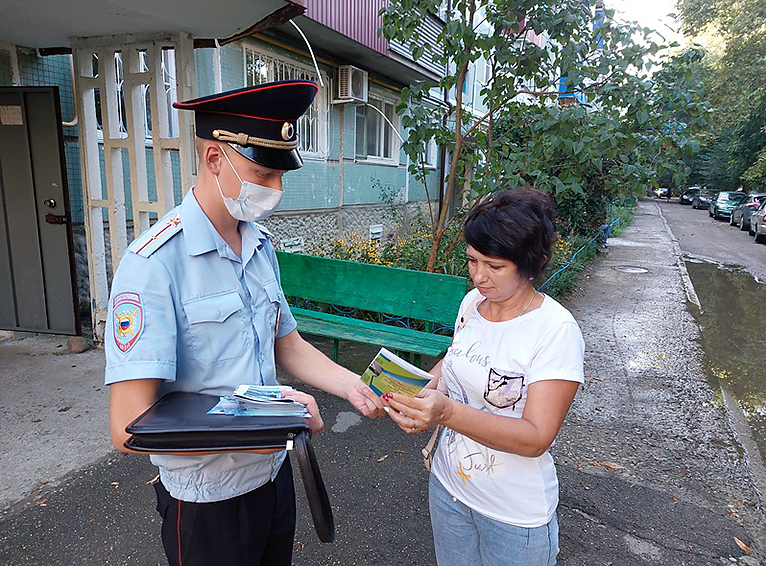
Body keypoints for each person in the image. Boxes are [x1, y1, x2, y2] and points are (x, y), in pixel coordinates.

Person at [105, 80, 383, 566]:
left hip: (274, 478)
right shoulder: (153, 263)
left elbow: (286, 344)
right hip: (206, 499)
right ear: (215, 158)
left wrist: (356, 386)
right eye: (262, 173)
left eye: (281, 176)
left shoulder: (259, 246)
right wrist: (275, 424)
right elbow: (128, 427)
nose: (275, 190)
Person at [383, 188, 584, 566]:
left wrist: (445, 413)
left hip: (512, 514)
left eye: (495, 266)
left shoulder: (555, 330)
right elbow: (455, 360)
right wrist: (409, 391)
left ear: (530, 264)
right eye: (473, 261)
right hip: (449, 488)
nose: (479, 276)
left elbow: (536, 438)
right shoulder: (472, 304)